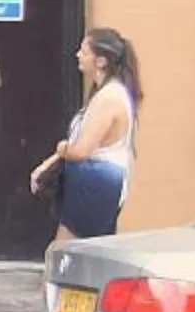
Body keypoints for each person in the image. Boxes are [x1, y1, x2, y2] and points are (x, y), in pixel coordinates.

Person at [35, 28, 140, 242]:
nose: (78, 55)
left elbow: (81, 150)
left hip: (95, 184)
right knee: (71, 252)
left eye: (84, 51)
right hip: (95, 181)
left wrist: (61, 148)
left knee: (66, 252)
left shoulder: (109, 98)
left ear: (101, 61)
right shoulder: (104, 94)